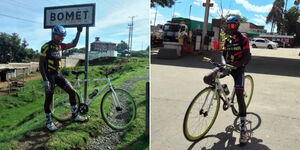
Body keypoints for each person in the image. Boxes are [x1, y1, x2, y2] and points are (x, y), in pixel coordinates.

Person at [203, 16, 251, 145]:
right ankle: (223, 93)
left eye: (232, 25)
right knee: (207, 78)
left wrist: (236, 65)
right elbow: (223, 55)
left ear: (236, 25)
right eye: (228, 26)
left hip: (238, 68)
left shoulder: (243, 38)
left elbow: (247, 57)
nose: (230, 28)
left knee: (240, 95)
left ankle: (243, 128)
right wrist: (224, 65)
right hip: (226, 67)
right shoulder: (227, 39)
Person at [39, 25, 87, 132]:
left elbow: (74, 44)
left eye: (62, 37)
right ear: (54, 35)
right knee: (49, 98)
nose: (60, 38)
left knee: (72, 92)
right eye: (58, 36)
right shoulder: (46, 46)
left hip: (58, 74)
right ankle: (48, 122)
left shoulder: (61, 46)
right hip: (49, 75)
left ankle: (74, 115)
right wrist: (45, 80)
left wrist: (78, 32)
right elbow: (41, 65)